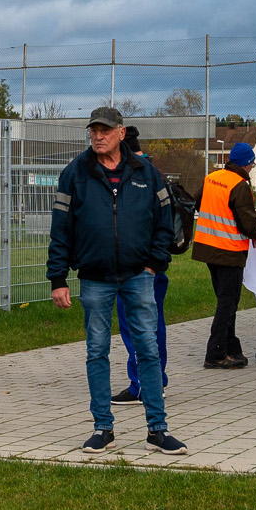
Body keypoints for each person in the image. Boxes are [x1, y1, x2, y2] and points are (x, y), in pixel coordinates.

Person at [47, 106, 185, 455]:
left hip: (139, 276)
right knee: (97, 352)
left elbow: (165, 221)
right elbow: (61, 229)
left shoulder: (146, 172)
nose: (98, 136)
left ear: (121, 133)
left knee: (148, 350)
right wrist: (58, 278)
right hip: (94, 279)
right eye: (94, 131)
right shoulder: (74, 174)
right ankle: (102, 428)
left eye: (105, 131)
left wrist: (154, 263)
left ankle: (158, 430)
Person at [193, 141, 256, 369]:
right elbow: (247, 222)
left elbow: (197, 202)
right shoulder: (240, 185)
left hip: (208, 248)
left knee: (225, 300)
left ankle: (231, 348)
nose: (252, 167)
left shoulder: (212, 178)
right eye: (252, 164)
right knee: (228, 303)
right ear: (246, 164)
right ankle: (215, 353)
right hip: (229, 251)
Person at [115, 127, 168, 403]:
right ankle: (156, 380)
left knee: (137, 327)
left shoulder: (136, 175)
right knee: (154, 325)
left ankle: (141, 384)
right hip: (152, 266)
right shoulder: (154, 173)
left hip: (137, 268)